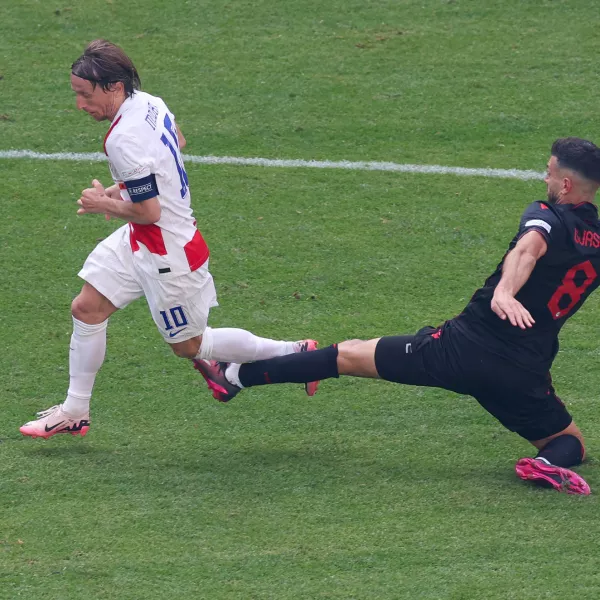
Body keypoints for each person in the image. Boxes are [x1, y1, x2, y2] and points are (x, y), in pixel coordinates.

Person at [194, 137, 600, 496]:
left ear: (565, 185)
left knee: (346, 355)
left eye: (548, 174)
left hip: (462, 348)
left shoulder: (547, 213)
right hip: (522, 374)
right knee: (570, 443)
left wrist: (505, 292)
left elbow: (528, 248)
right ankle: (547, 465)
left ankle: (233, 377)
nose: (544, 181)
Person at [20, 40, 317, 440]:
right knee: (87, 308)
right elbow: (176, 142)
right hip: (141, 240)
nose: (79, 105)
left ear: (113, 88)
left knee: (191, 346)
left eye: (84, 95)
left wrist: (99, 202)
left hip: (168, 253)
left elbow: (149, 212)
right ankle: (75, 410)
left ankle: (296, 352)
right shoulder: (150, 102)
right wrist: (118, 192)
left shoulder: (122, 139)